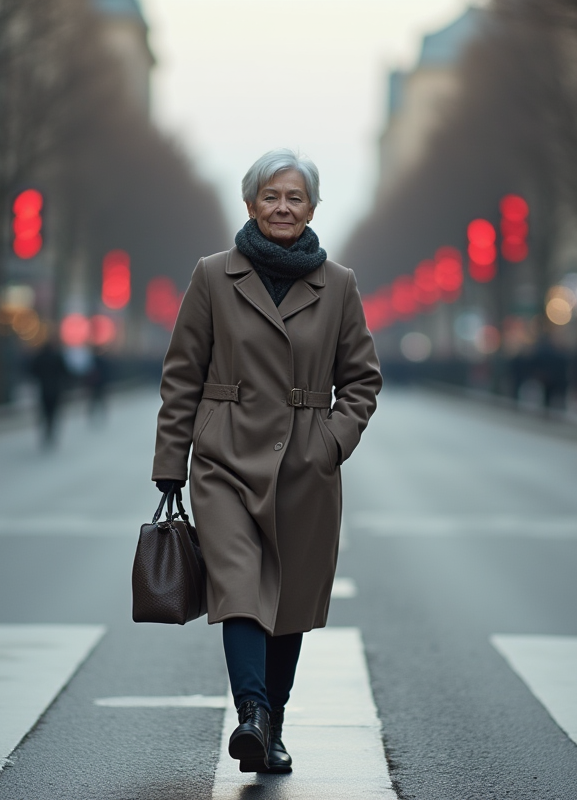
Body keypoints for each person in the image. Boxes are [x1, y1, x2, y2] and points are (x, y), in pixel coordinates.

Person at [152, 149, 381, 775]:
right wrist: (171, 460)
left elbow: (362, 381)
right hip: (224, 458)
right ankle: (251, 711)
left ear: (312, 208)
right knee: (240, 587)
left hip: (307, 465)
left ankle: (270, 727)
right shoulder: (212, 275)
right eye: (271, 196)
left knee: (291, 605)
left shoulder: (339, 284)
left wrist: (330, 442)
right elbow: (182, 375)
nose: (283, 207)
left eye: (296, 197)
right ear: (251, 204)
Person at [29, 336, 70, 446]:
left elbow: (32, 372)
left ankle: (46, 431)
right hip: (56, 389)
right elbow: (65, 372)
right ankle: (51, 431)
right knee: (54, 412)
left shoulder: (39, 358)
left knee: (45, 412)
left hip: (43, 389)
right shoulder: (57, 357)